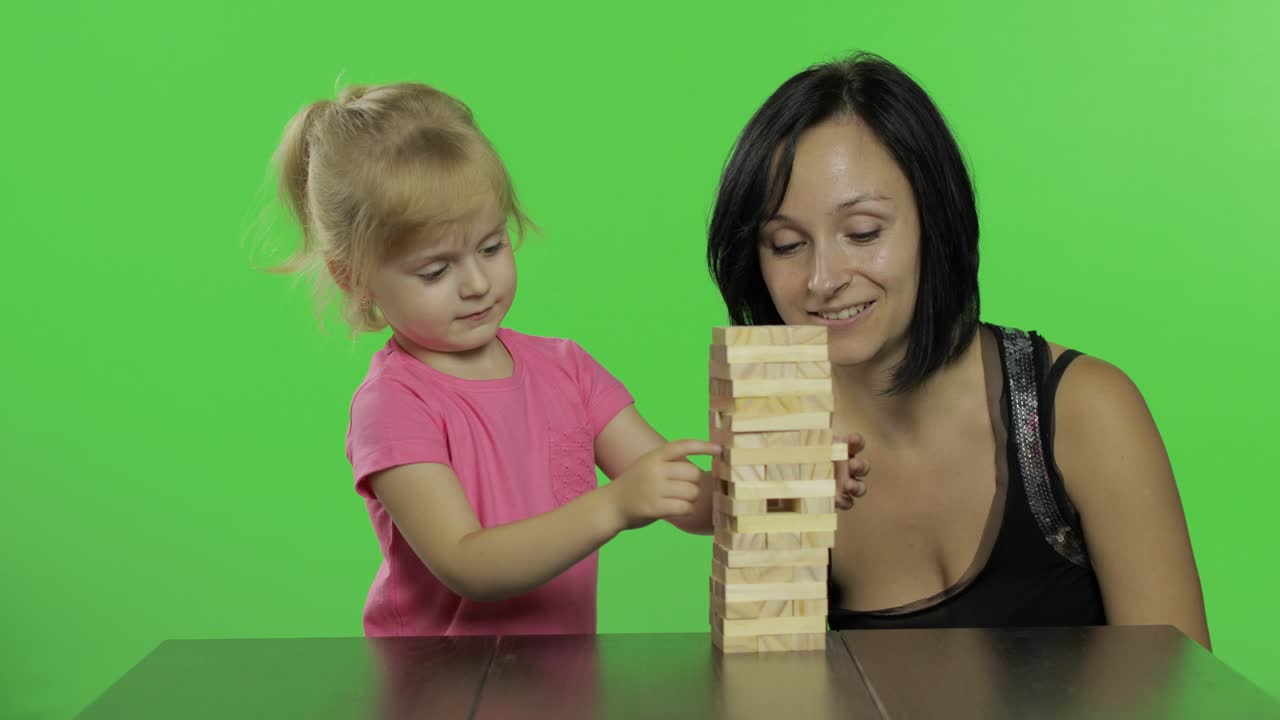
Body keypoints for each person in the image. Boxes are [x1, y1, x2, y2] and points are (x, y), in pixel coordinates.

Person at [706, 53, 1211, 648]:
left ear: (936, 220)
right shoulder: (782, 433)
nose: (822, 279)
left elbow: (1185, 697)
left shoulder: (1085, 410)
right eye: (787, 244)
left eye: (863, 232)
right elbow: (761, 693)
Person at [266, 81, 763, 637]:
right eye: (435, 271)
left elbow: (686, 502)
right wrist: (614, 506)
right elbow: (466, 564)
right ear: (353, 277)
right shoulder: (393, 404)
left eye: (491, 246)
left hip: (557, 685)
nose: (477, 283)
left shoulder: (568, 371)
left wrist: (788, 483)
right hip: (442, 692)